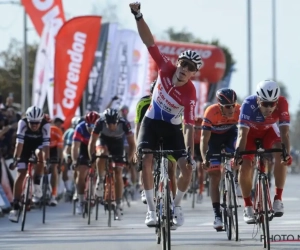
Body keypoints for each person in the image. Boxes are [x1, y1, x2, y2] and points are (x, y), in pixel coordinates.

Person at [129, 2, 200, 228]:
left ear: (193, 74)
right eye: (182, 64)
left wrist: (189, 151)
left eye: (189, 68)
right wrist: (138, 16)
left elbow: (189, 125)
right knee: (146, 159)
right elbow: (149, 42)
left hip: (172, 128)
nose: (184, 69)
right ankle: (151, 210)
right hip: (151, 122)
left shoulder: (190, 93)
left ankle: (176, 205)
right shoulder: (165, 67)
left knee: (186, 167)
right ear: (177, 63)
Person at [234, 80, 292, 224]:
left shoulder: (283, 103)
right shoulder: (248, 104)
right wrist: (239, 155)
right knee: (245, 166)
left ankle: (278, 199)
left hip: (269, 132)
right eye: (265, 104)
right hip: (250, 135)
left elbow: (285, 133)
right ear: (258, 99)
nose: (268, 108)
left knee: (281, 155)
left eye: (272, 104)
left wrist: (287, 154)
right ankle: (248, 206)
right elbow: (242, 134)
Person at [200, 88, 240, 230]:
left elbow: (244, 134)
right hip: (213, 139)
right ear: (220, 105)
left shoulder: (239, 110)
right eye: (227, 107)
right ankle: (217, 215)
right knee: (214, 176)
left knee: (239, 155)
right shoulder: (211, 111)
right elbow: (204, 138)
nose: (231, 109)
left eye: (233, 106)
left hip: (231, 135)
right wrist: (205, 158)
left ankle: (236, 181)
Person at [135, 80, 178, 204]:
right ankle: (145, 187)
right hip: (149, 133)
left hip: (167, 134)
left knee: (171, 168)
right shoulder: (143, 103)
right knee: (146, 158)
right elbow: (138, 127)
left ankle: (174, 204)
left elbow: (178, 126)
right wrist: (137, 148)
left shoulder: (172, 102)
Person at [88, 108, 135, 218]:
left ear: (118, 121)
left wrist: (129, 159)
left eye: (113, 123)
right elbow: (92, 142)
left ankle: (118, 203)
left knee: (118, 173)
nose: (111, 126)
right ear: (105, 121)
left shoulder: (124, 124)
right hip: (103, 141)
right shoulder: (99, 122)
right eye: (108, 123)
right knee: (101, 153)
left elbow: (132, 144)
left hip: (118, 144)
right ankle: (100, 179)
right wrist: (92, 158)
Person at [8, 106, 50, 222]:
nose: (35, 125)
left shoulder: (46, 125)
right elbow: (19, 144)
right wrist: (16, 159)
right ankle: (15, 207)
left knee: (40, 154)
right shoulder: (22, 123)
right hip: (24, 147)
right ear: (28, 120)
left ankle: (37, 183)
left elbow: (46, 146)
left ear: (41, 120)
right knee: (21, 174)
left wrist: (46, 162)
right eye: (32, 122)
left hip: (39, 146)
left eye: (37, 123)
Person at [71, 111, 100, 214]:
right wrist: (75, 161)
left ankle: (99, 187)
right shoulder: (80, 127)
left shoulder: (102, 127)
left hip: (98, 147)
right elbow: (75, 147)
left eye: (94, 126)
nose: (91, 128)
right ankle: (81, 200)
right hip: (84, 148)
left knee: (102, 165)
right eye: (89, 126)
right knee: (81, 172)